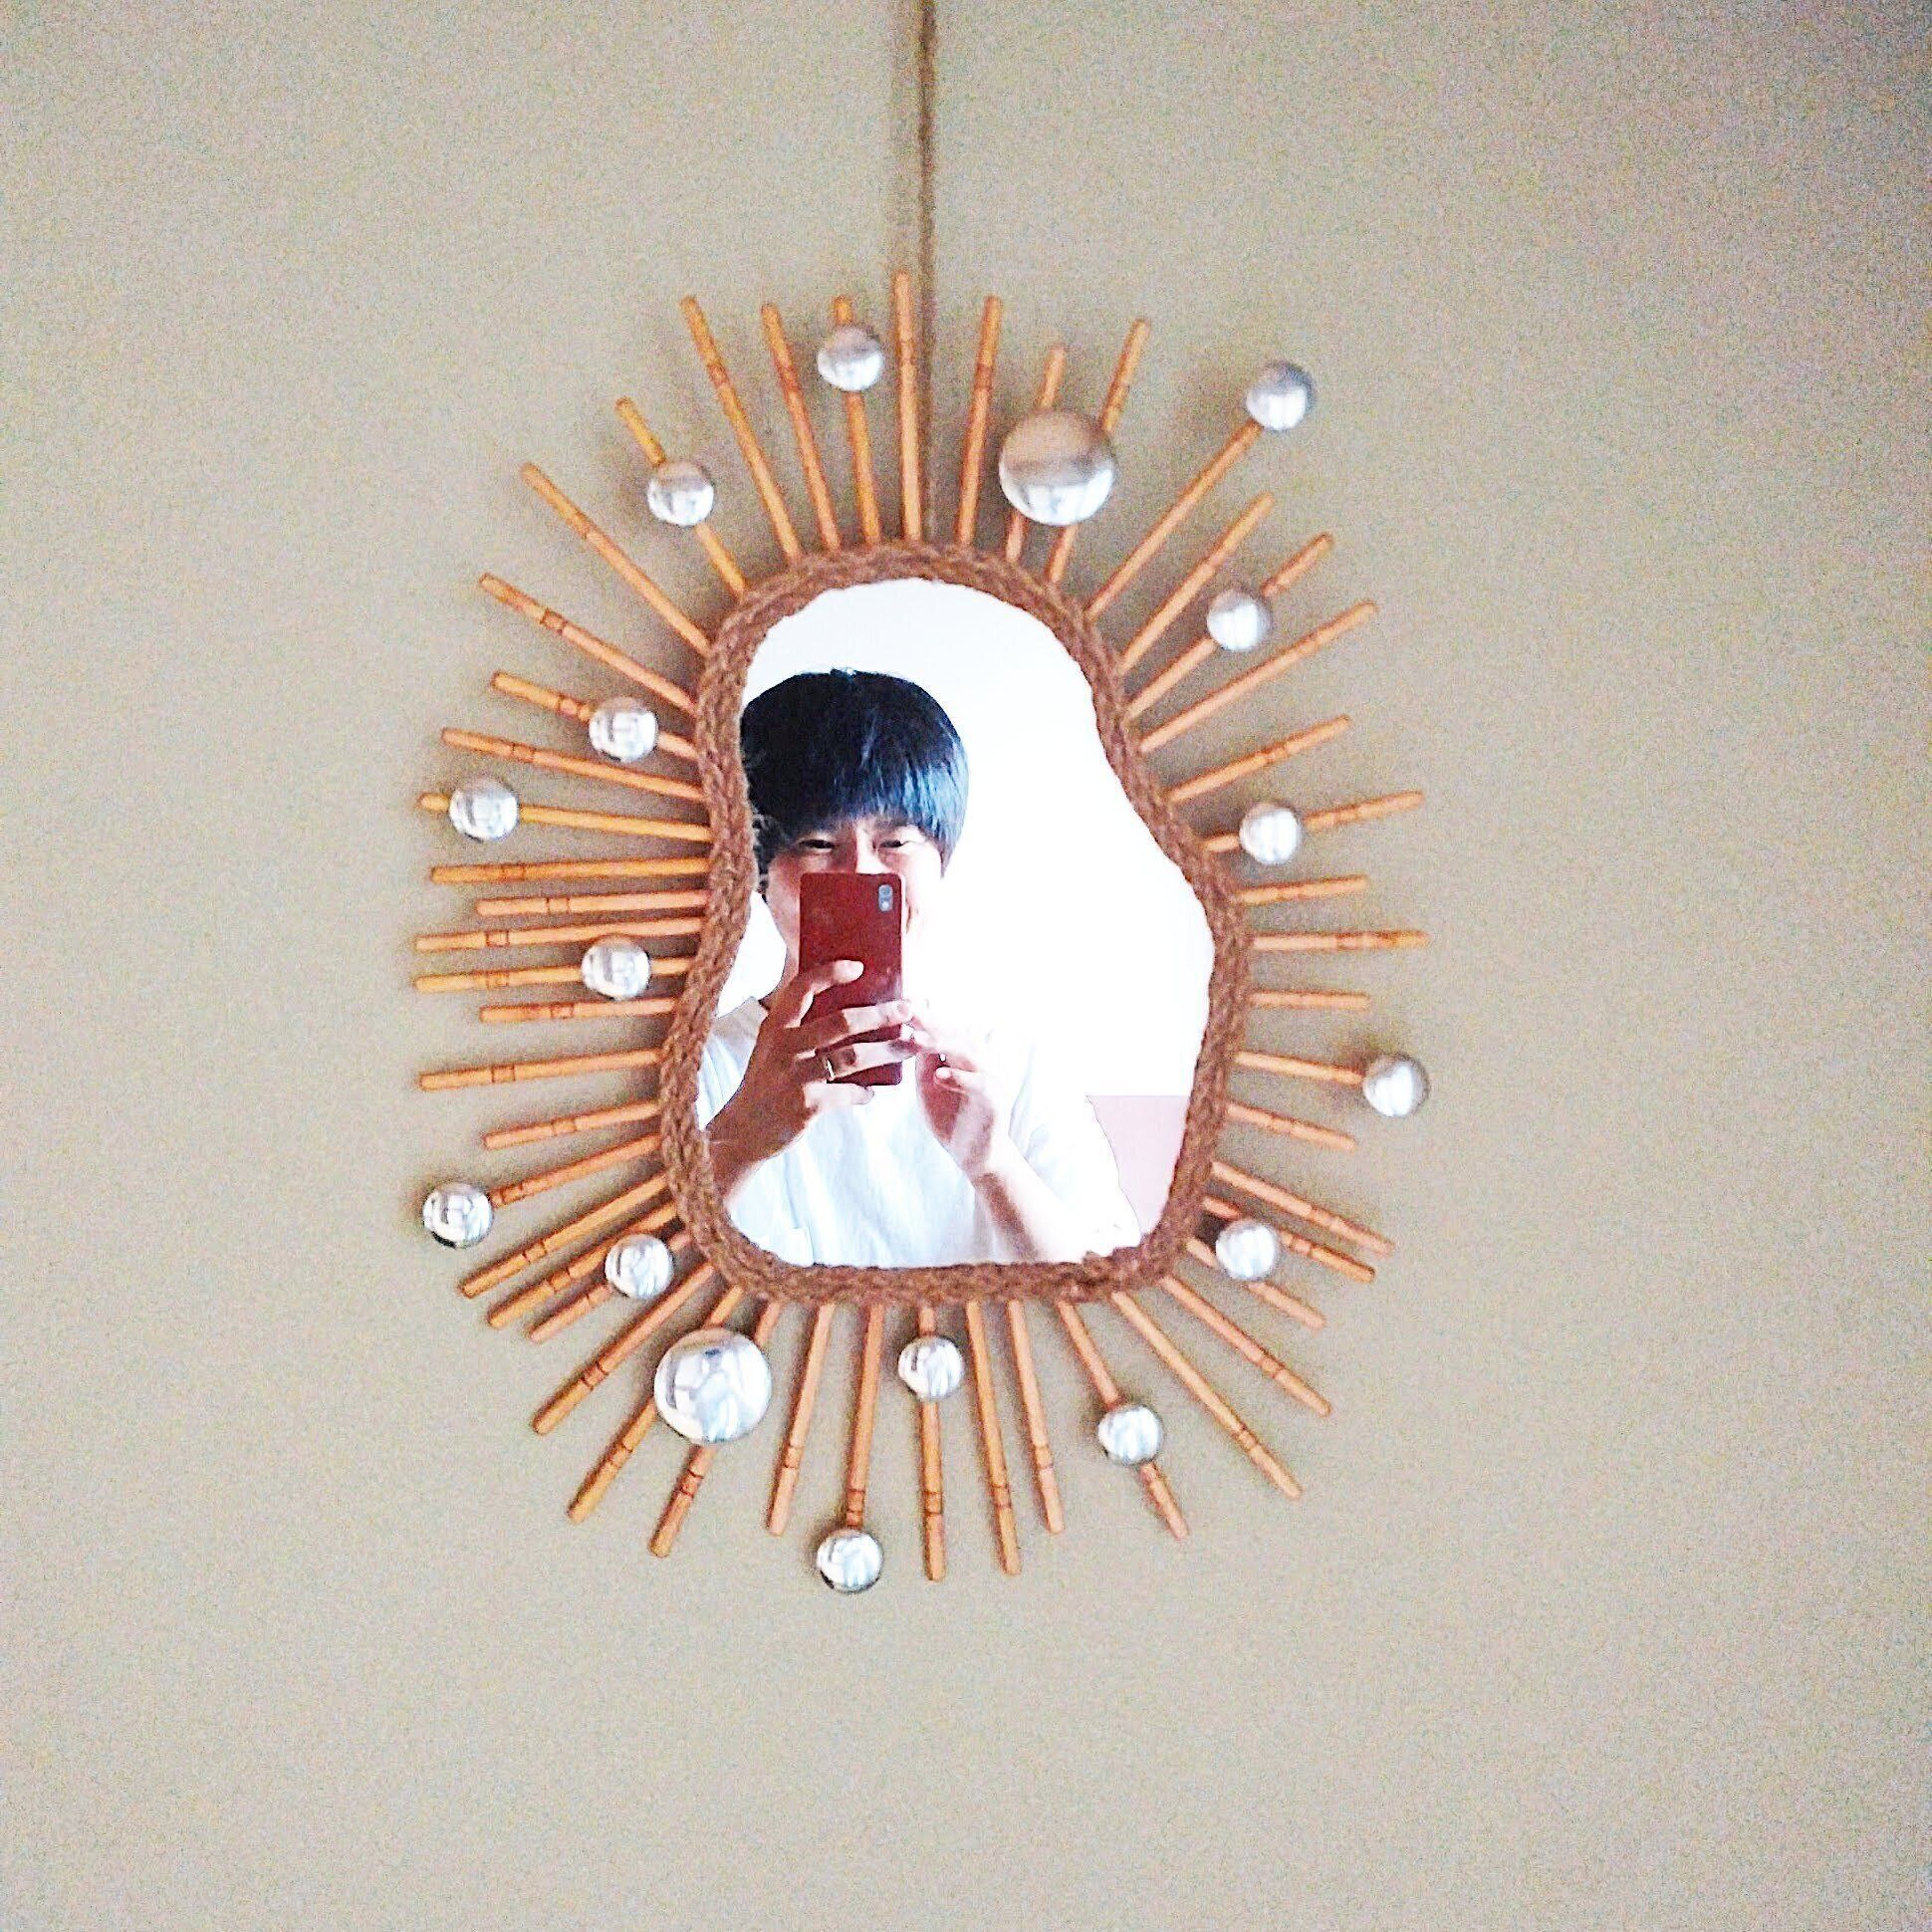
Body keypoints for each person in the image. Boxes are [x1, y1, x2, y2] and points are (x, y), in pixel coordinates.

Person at [697, 668, 1141, 1268]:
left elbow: (1110, 1292)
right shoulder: (701, 1070)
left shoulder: (1014, 1064)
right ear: (757, 871)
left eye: (896, 843)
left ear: (941, 862)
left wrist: (994, 1165)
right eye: (818, 844)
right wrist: (740, 1141)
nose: (861, 872)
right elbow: (632, 1276)